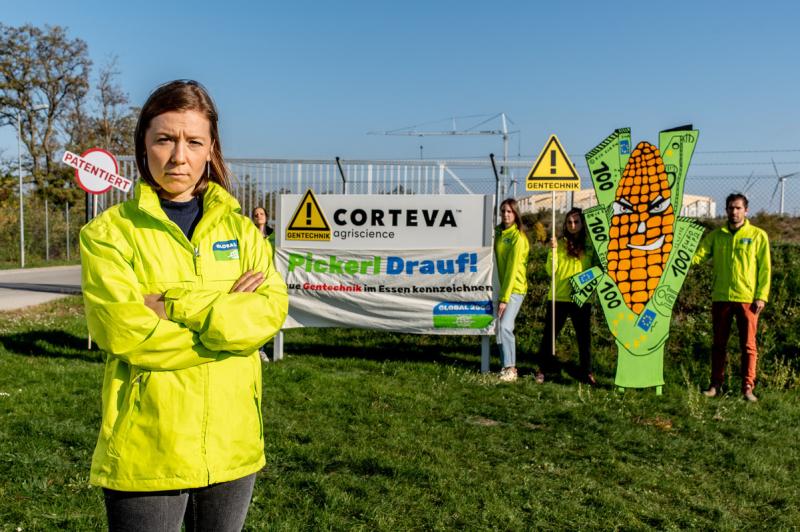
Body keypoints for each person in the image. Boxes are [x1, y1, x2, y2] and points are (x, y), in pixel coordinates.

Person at [80, 80, 288, 531]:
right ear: (143, 146)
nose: (179, 156)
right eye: (164, 139)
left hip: (233, 445)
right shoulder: (108, 235)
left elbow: (269, 313)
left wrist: (174, 305)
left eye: (193, 141)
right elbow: (124, 332)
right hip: (149, 448)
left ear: (210, 148)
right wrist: (228, 325)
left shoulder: (242, 230)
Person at [692, 193, 770, 402]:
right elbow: (698, 255)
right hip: (721, 298)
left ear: (746, 210)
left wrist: (761, 296)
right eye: (730, 208)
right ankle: (715, 385)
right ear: (725, 210)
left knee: (748, 346)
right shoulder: (716, 236)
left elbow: (765, 269)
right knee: (719, 344)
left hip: (748, 300)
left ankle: (747, 388)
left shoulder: (758, 235)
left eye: (738, 208)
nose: (734, 212)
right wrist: (679, 257)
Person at [535, 208, 596, 385]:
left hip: (581, 297)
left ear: (582, 224)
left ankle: (587, 372)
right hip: (558, 296)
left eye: (576, 222)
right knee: (549, 336)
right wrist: (552, 252)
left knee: (584, 338)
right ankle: (542, 369)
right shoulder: (559, 244)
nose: (572, 225)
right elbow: (550, 270)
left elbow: (596, 270)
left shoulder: (590, 245)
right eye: (569, 222)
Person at [494, 198, 530, 382]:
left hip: (514, 289)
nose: (506, 215)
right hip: (501, 289)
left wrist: (505, 298)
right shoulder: (498, 233)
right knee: (499, 328)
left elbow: (512, 269)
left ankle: (511, 369)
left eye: (509, 211)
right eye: (503, 211)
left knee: (506, 326)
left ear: (516, 214)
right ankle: (504, 366)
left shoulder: (518, 238)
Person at [251, 206, 275, 363]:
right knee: (255, 315)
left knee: (269, 315)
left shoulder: (274, 236)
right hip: (254, 279)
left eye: (261, 214)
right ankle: (258, 349)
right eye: (255, 215)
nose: (259, 216)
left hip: (271, 279)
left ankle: (263, 347)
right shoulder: (249, 235)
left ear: (266, 217)